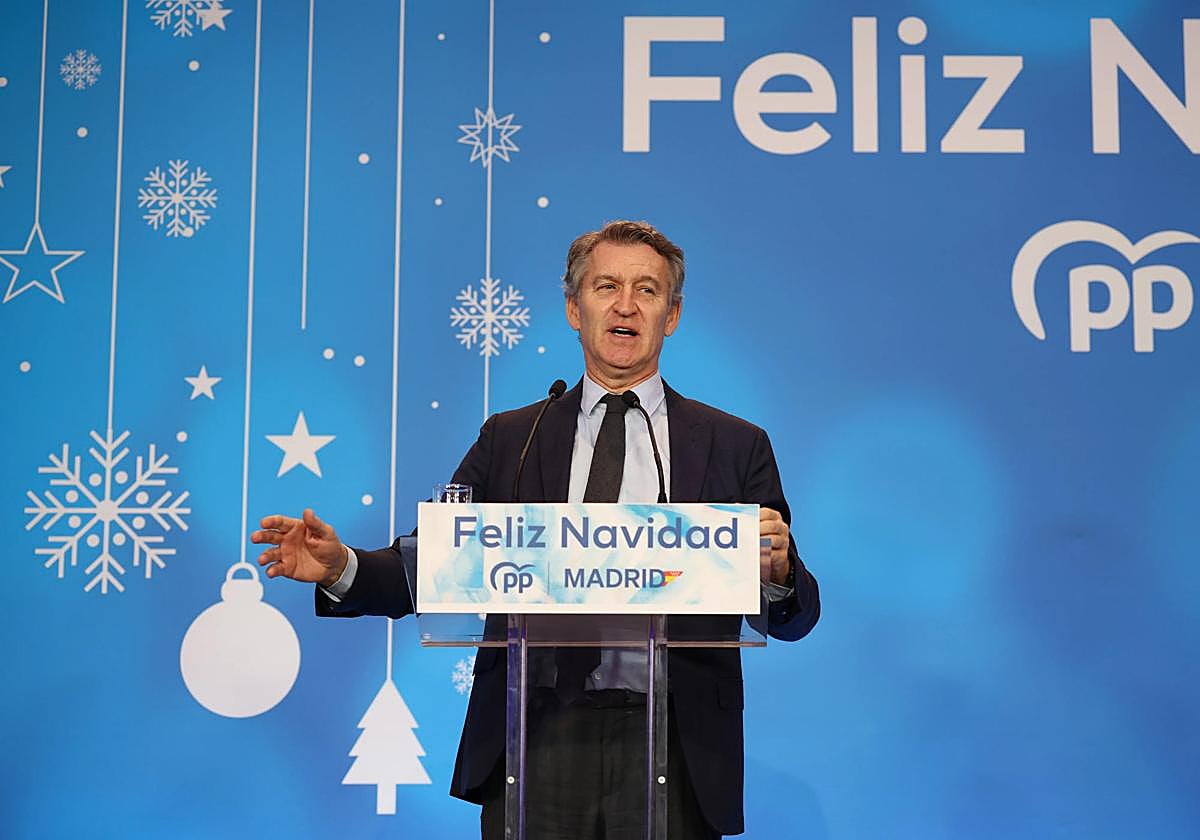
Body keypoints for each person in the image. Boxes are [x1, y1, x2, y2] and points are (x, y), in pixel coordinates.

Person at [251, 220, 820, 838]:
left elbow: (794, 613)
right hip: (534, 732)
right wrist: (342, 568)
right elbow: (434, 563)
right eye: (606, 286)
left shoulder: (734, 445)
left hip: (674, 742)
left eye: (647, 290)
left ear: (672, 315)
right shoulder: (513, 439)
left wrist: (778, 574)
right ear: (575, 309)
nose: (626, 305)